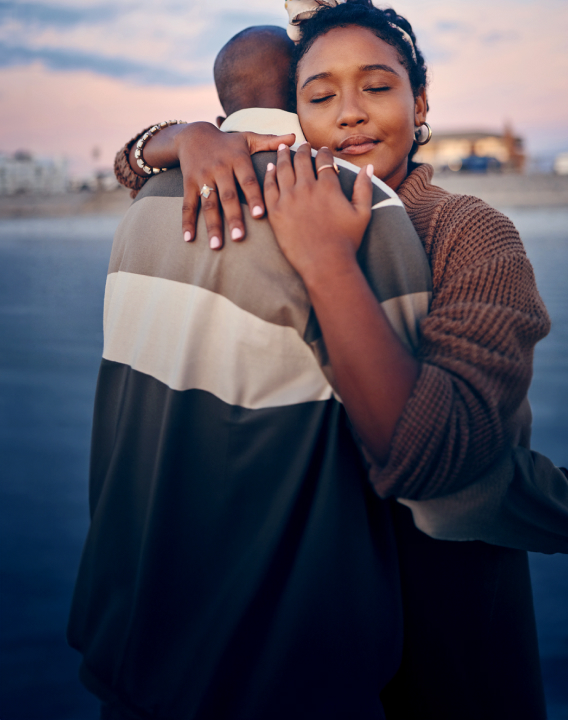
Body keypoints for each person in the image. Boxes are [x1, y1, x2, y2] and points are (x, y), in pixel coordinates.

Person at [69, 24, 435, 720]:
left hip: (133, 639)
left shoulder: (144, 207)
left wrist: (175, 138)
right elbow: (417, 444)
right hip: (283, 661)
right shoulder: (361, 206)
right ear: (303, 89)